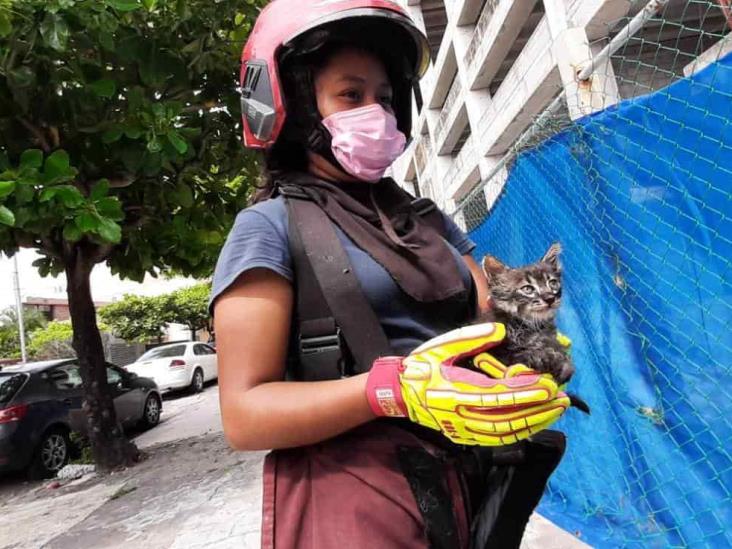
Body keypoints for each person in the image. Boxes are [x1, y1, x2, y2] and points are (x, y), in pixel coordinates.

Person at [210, 1, 571, 547]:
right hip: (353, 501)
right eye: (350, 95)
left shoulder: (427, 220)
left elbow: (483, 322)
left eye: (384, 97)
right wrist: (389, 390)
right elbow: (244, 414)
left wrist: (525, 357)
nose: (374, 112)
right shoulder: (268, 227)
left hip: (466, 479)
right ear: (297, 107)